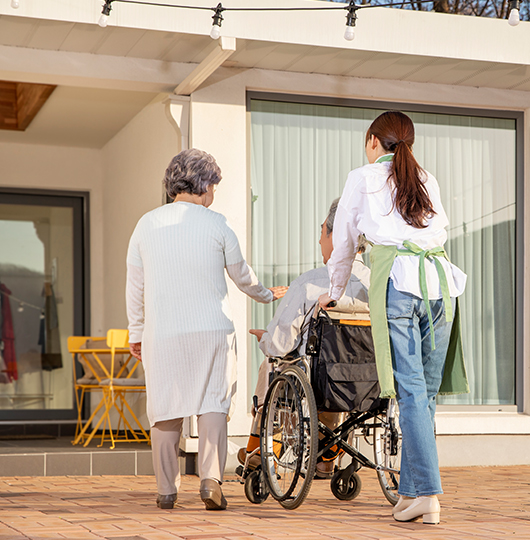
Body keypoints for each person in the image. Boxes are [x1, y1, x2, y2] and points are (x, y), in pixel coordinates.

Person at [319, 111, 469, 525]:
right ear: (408, 144)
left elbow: (343, 243)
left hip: (399, 284)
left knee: (412, 393)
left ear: (373, 141)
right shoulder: (426, 178)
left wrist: (335, 292)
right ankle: (411, 493)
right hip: (441, 286)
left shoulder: (363, 177)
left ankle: (428, 494)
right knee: (425, 396)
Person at [126, 149, 288, 511]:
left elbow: (134, 286)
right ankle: (211, 480)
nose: (213, 193)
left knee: (165, 408)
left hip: (163, 333)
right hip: (212, 331)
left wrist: (136, 332)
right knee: (213, 402)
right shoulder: (217, 224)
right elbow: (242, 275)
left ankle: (166, 490)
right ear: (204, 186)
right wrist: (266, 294)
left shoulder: (146, 224)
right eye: (213, 186)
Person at [243, 198, 370, 478]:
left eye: (322, 231)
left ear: (336, 236)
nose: (319, 239)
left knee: (274, 364)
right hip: (365, 383)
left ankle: (261, 447)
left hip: (318, 380)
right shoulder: (376, 285)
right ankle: (328, 454)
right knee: (334, 372)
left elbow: (281, 343)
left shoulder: (311, 282)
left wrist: (265, 339)